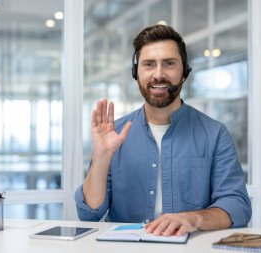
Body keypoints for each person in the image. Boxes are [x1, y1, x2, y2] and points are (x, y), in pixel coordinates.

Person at [75, 24, 251, 236]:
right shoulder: (115, 133)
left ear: (184, 71)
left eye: (169, 64)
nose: (158, 74)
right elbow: (89, 215)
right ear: (136, 72)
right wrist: (102, 157)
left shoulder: (215, 134)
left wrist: (193, 218)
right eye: (149, 65)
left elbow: (237, 206)